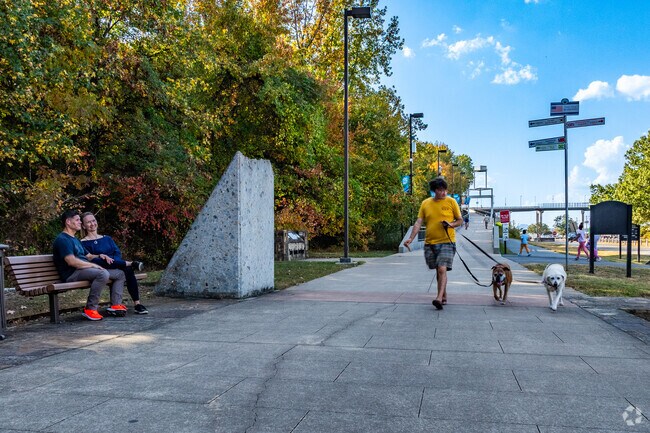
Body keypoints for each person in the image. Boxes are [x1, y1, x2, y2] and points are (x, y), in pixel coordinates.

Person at [52, 210, 126, 321]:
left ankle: (116, 305)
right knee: (102, 273)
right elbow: (71, 261)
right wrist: (92, 266)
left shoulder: (75, 239)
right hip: (72, 273)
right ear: (68, 222)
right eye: (77, 220)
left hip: (82, 270)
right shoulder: (63, 240)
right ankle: (90, 309)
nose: (80, 223)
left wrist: (100, 255)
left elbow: (89, 255)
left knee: (120, 274)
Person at [404, 177, 462, 310]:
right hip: (430, 243)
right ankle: (444, 295)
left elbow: (459, 220)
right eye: (441, 190)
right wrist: (411, 238)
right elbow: (419, 222)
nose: (444, 193)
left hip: (447, 241)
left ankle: (438, 298)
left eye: (445, 190)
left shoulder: (452, 202)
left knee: (442, 268)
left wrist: (451, 224)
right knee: (439, 270)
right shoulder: (426, 203)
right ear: (434, 191)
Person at [81, 212, 149, 314]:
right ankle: (131, 263)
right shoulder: (83, 242)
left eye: (93, 220)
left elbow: (117, 253)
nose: (92, 224)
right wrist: (106, 260)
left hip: (115, 266)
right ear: (83, 226)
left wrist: (113, 261)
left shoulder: (107, 238)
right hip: (100, 268)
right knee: (107, 262)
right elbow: (92, 260)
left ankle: (137, 304)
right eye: (88, 222)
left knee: (128, 270)